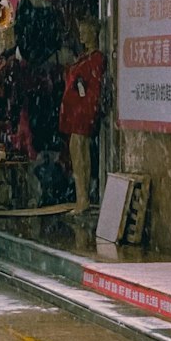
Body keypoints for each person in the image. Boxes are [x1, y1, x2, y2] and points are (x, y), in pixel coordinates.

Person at [59, 17, 105, 213]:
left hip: (83, 112)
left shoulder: (95, 59)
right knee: (76, 151)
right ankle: (81, 197)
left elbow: (93, 88)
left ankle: (83, 198)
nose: (82, 35)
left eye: (86, 31)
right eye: (82, 31)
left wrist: (87, 106)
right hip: (77, 111)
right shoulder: (86, 57)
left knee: (80, 152)